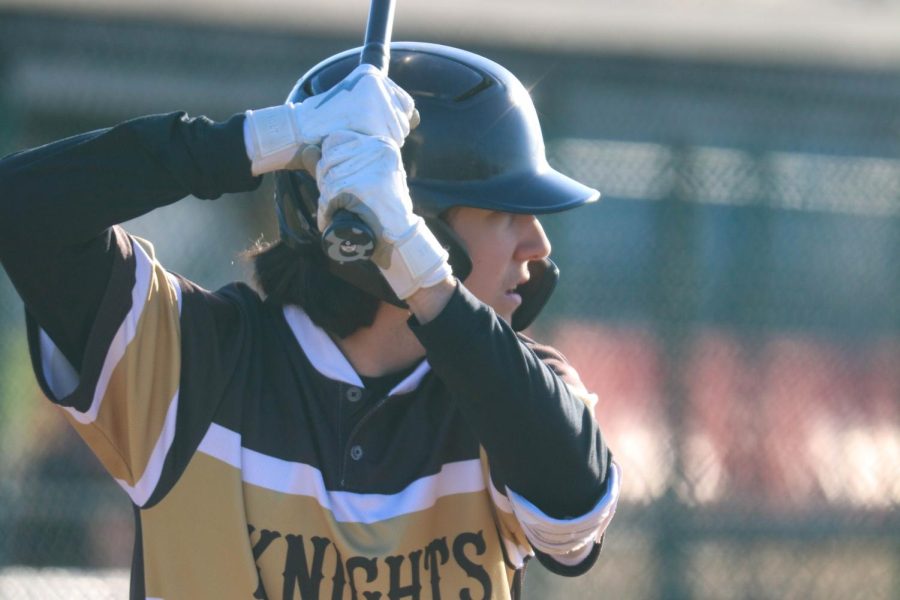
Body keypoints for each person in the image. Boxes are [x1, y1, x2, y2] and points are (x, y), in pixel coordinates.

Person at [0, 42, 619, 599]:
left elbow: (577, 515)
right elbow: (21, 209)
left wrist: (422, 274)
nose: (537, 244)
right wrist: (260, 140)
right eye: (504, 211)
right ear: (418, 216)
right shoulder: (191, 359)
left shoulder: (514, 391)